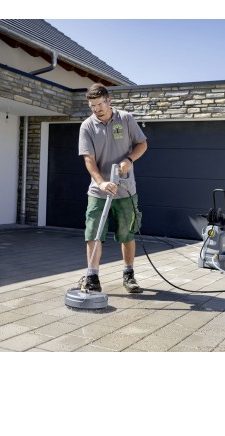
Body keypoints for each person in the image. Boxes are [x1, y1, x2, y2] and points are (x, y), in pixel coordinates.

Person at [78, 83, 148, 293]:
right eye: (92, 106)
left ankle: (129, 275)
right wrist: (101, 182)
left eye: (100, 104)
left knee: (127, 233)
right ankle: (92, 277)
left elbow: (142, 144)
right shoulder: (87, 126)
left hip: (125, 190)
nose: (97, 109)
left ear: (109, 101)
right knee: (93, 232)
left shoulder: (125, 119)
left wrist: (129, 160)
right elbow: (89, 159)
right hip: (98, 191)